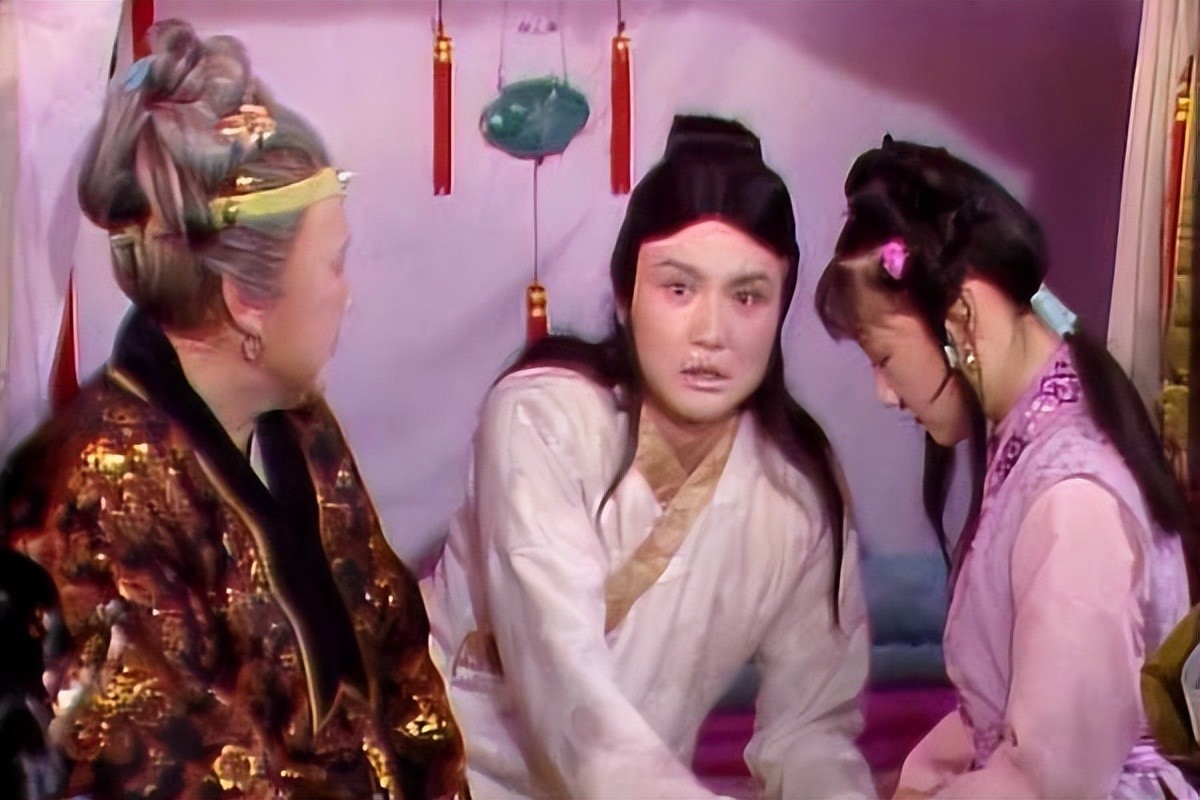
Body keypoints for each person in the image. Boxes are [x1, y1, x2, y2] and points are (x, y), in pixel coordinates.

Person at [0, 19, 467, 800]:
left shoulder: (301, 431)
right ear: (248, 300)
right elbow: (167, 771)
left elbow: (402, 668)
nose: (347, 297)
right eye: (333, 265)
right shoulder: (85, 500)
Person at [422, 115, 875, 799]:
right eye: (678, 288)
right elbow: (565, 681)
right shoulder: (542, 417)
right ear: (625, 297)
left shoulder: (796, 489)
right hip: (453, 777)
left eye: (747, 296)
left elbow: (810, 729)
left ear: (781, 308)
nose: (711, 333)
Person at [815, 135, 1199, 798]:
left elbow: (1053, 780)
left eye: (883, 357)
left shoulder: (1073, 499)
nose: (885, 393)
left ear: (959, 320)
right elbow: (997, 723)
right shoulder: (1037, 445)